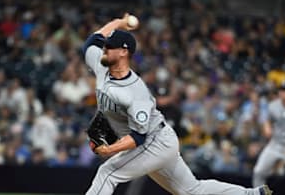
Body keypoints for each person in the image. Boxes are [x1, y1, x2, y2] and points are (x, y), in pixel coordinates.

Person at [82, 13, 272, 195]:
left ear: (124, 52)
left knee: (107, 173)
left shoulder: (136, 91)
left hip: (154, 142)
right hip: (155, 142)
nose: (104, 49)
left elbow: (138, 137)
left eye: (110, 47)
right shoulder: (101, 65)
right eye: (105, 46)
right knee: (191, 191)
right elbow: (92, 41)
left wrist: (109, 150)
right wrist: (119, 22)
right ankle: (251, 193)